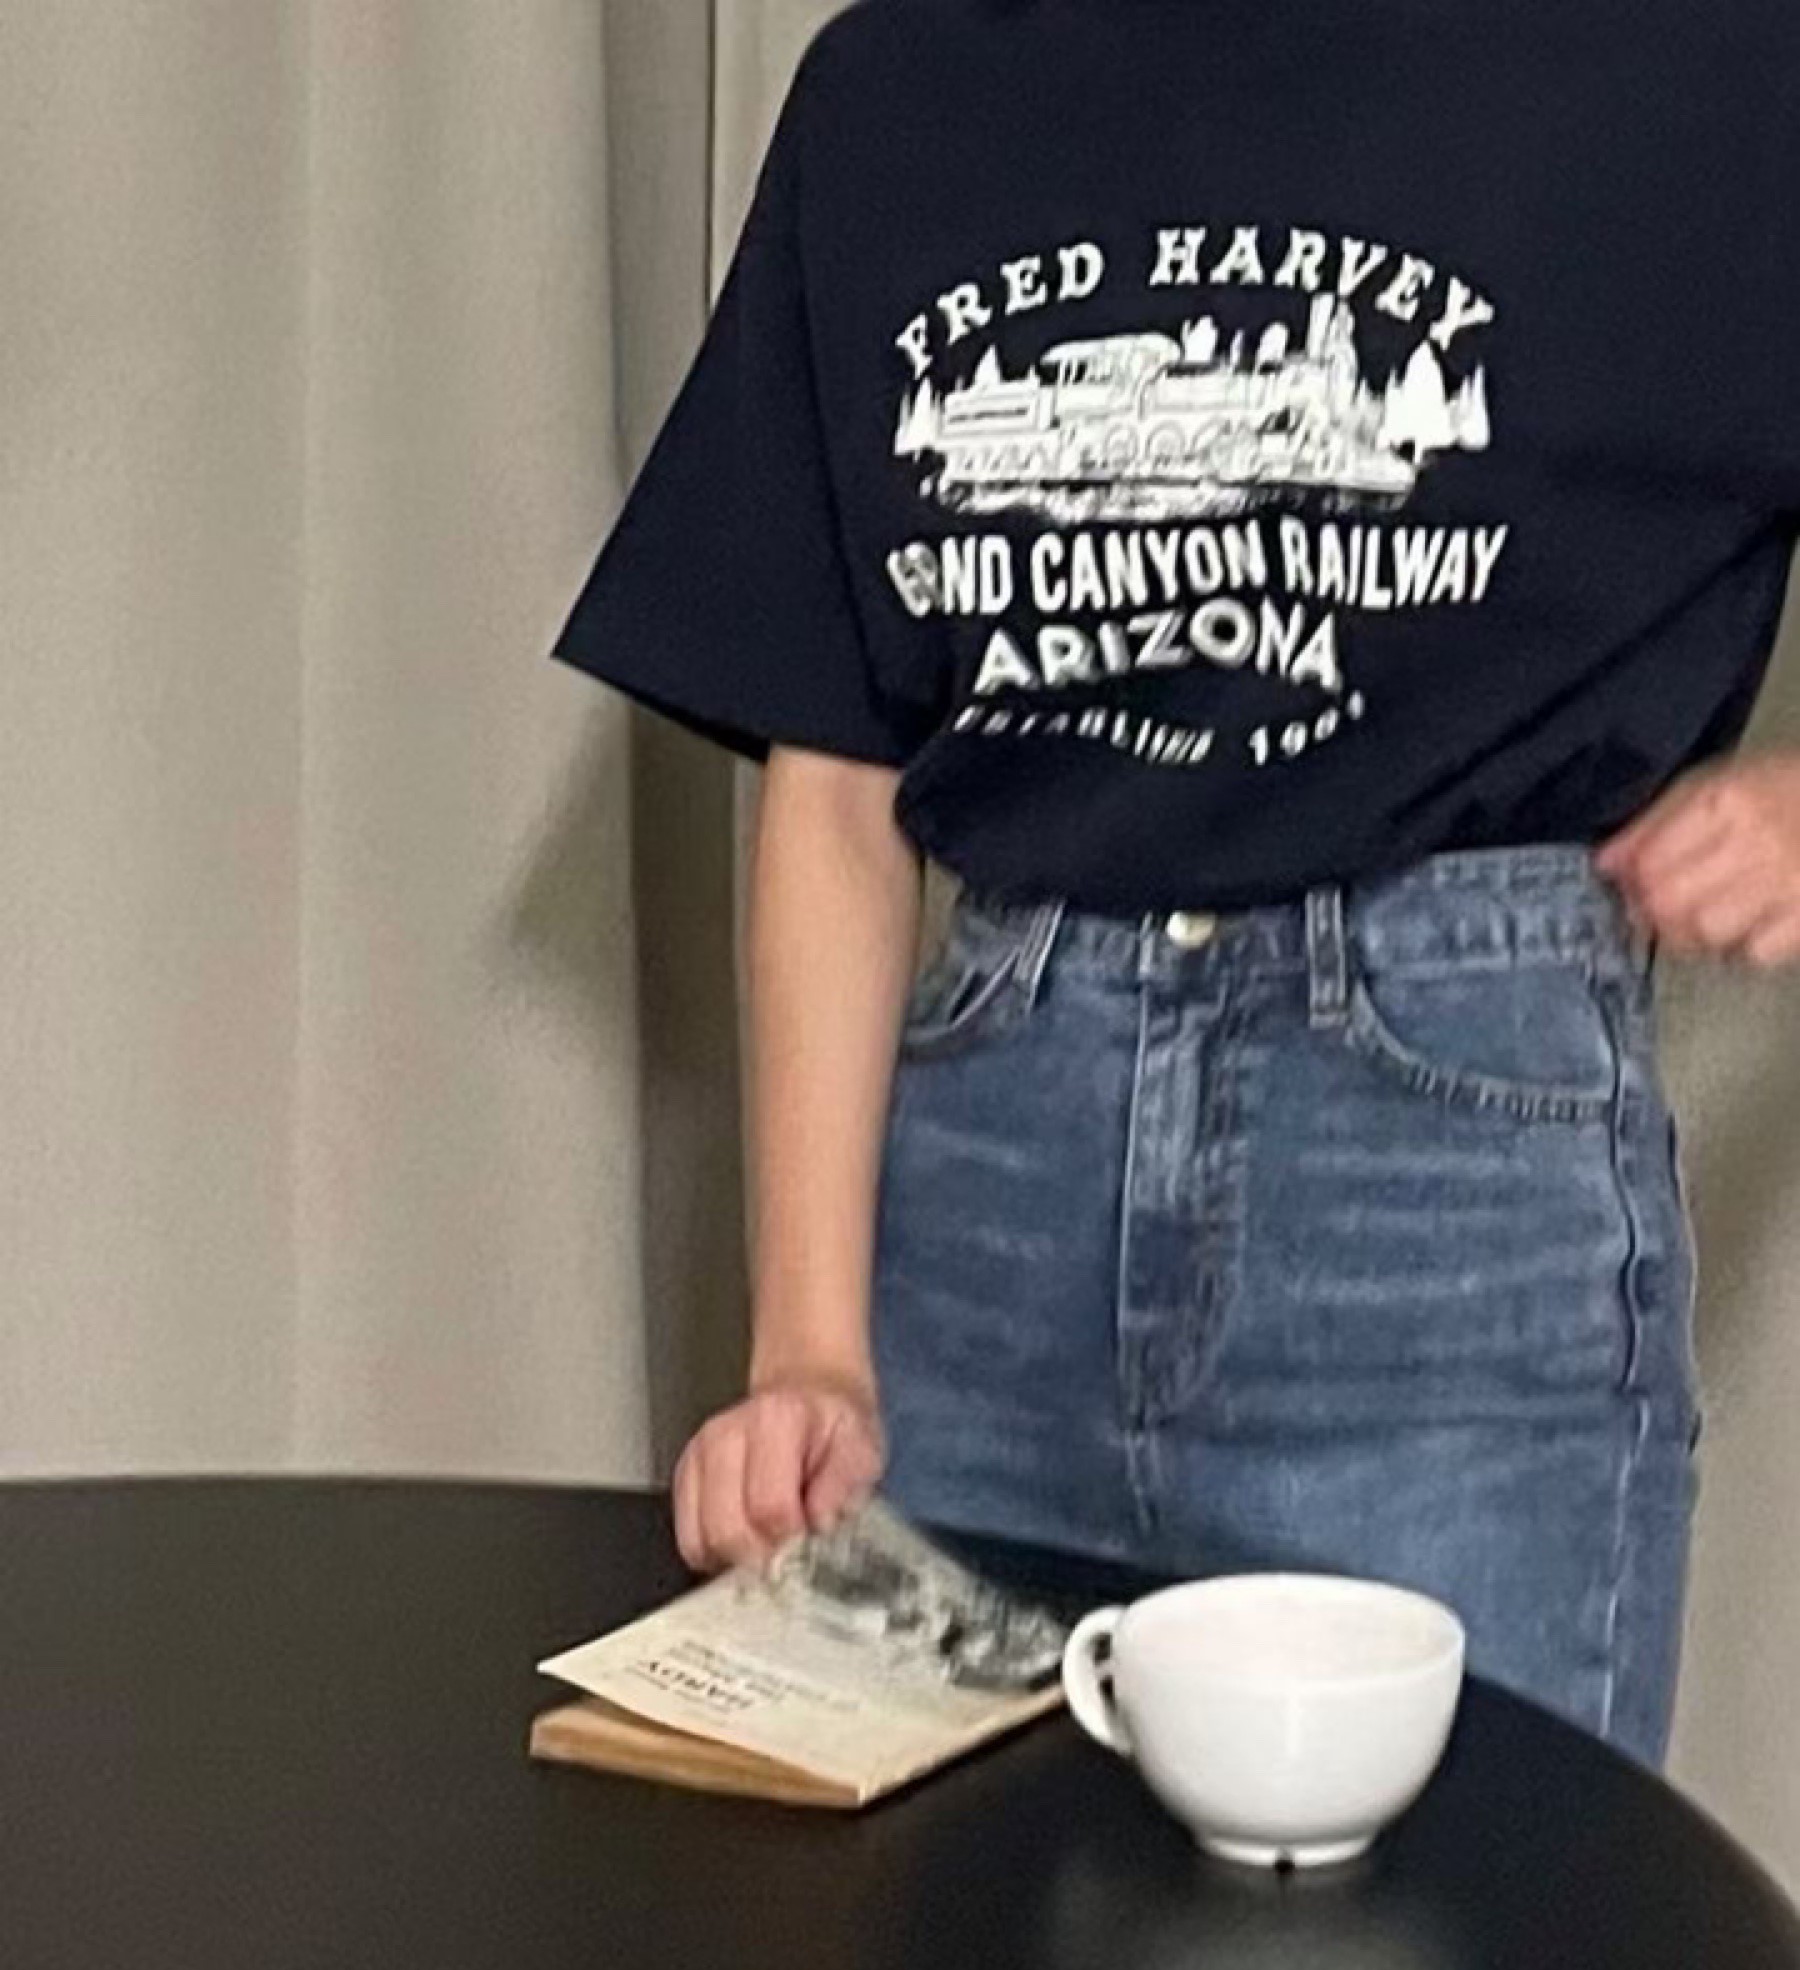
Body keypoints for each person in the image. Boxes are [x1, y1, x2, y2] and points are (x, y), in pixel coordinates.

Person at [548, 0, 1800, 1774]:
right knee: (947, 1929)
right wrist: (809, 1346)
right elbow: (835, 779)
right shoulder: (903, 90)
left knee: (1469, 1927)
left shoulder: (1688, 64)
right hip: (981, 1185)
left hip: (1443, 1188)